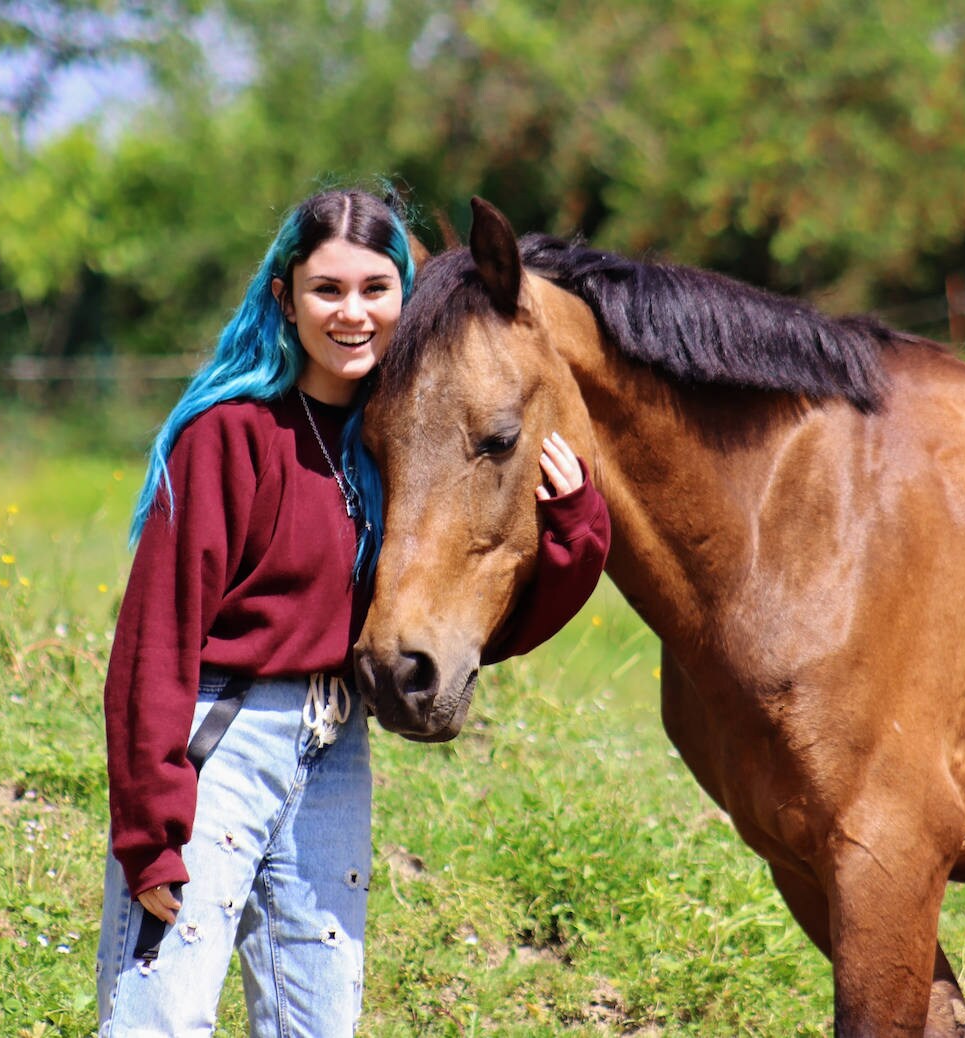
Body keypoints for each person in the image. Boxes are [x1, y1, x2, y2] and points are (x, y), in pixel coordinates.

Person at [96, 187, 610, 1037]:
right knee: (162, 1019)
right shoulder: (227, 436)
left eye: (376, 288)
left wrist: (576, 527)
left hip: (333, 753)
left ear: (406, 297)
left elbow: (492, 632)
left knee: (318, 1023)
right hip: (218, 745)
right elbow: (156, 638)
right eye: (327, 289)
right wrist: (153, 828)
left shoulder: (395, 443)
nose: (353, 313)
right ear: (283, 298)